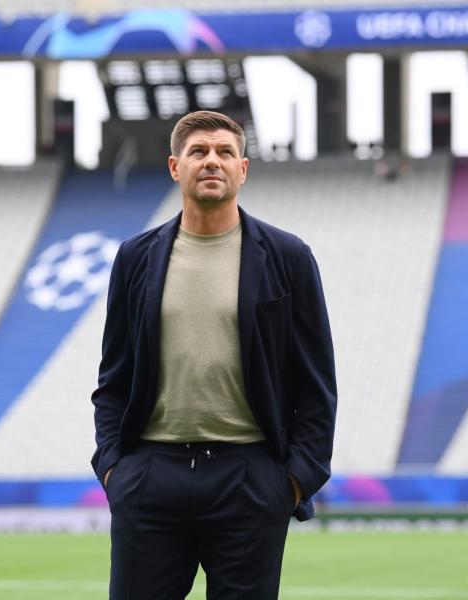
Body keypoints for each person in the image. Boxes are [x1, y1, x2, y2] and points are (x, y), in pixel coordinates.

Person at [91, 110, 337, 600]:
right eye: (198, 151)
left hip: (250, 479)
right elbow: (113, 377)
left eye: (226, 152)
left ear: (243, 170)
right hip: (150, 476)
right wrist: (115, 469)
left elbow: (317, 384)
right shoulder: (136, 258)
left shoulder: (288, 257)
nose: (212, 161)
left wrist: (290, 482)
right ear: (174, 166)